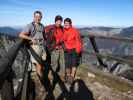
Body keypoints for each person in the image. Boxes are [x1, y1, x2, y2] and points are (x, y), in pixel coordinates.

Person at [19, 11, 46, 100]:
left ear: (41, 17)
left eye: (39, 17)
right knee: (39, 66)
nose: (38, 18)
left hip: (41, 47)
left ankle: (40, 80)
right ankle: (43, 84)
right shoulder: (30, 25)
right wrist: (31, 38)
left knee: (40, 65)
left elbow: (43, 36)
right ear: (34, 17)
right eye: (36, 16)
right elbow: (21, 35)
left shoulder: (42, 26)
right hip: (35, 48)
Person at [44, 15, 65, 82]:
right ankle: (52, 75)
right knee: (54, 63)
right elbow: (48, 41)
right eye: (58, 21)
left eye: (60, 21)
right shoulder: (52, 29)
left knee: (62, 63)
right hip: (55, 49)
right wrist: (52, 48)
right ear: (55, 21)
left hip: (61, 48)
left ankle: (62, 76)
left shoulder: (62, 28)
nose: (59, 23)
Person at [63, 18, 82, 84]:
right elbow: (62, 39)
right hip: (66, 50)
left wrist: (78, 50)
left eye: (67, 23)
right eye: (65, 23)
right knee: (67, 64)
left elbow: (78, 41)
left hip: (74, 49)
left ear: (70, 24)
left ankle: (72, 76)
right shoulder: (63, 30)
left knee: (74, 64)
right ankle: (68, 76)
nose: (66, 25)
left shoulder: (75, 31)